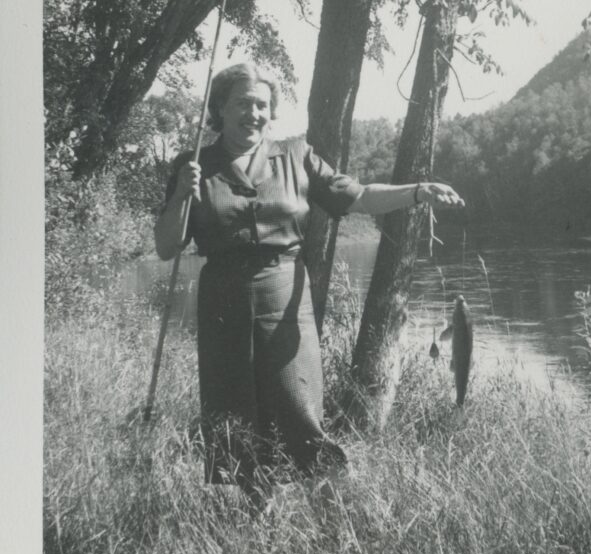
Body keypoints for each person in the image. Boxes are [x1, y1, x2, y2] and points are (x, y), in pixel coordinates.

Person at [155, 61, 464, 491]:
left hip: (283, 293)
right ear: (220, 108)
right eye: (243, 103)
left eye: (262, 105)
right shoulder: (193, 165)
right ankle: (250, 512)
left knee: (298, 403)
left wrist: (417, 191)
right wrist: (181, 196)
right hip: (222, 298)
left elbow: (358, 197)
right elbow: (167, 246)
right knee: (233, 413)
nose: (254, 113)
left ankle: (332, 507)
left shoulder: (296, 156)